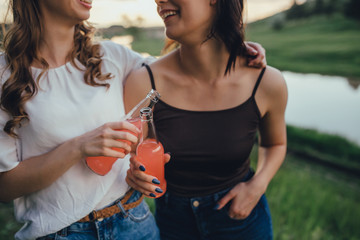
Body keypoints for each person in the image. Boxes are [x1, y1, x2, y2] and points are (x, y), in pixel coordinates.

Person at [0, 0, 266, 239]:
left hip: (134, 222)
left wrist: (229, 49)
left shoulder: (113, 57)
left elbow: (184, 67)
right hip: (61, 234)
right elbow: (4, 188)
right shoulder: (5, 77)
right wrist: (77, 147)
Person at [125, 0, 288, 239]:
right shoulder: (143, 83)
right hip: (172, 225)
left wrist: (258, 185)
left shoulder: (266, 82)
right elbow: (128, 156)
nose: (158, 0)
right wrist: (133, 175)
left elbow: (275, 144)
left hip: (242, 222)